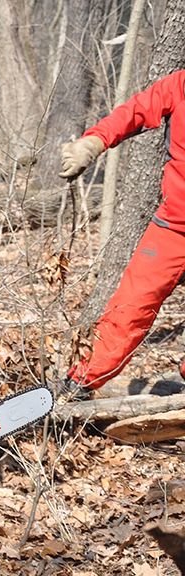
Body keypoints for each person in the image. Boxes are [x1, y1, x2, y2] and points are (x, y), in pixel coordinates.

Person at [61, 70, 185, 393]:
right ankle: (79, 384)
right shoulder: (180, 86)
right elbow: (134, 111)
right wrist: (94, 141)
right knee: (129, 307)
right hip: (174, 226)